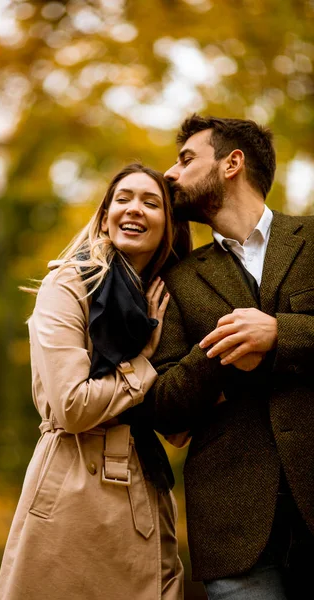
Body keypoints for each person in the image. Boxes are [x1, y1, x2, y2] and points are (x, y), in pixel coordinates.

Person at [0, 163, 190, 600]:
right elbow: (72, 406)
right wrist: (143, 360)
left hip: (143, 487)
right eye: (122, 199)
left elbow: (177, 426)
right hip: (71, 484)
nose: (134, 209)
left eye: (150, 202)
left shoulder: (161, 303)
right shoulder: (68, 283)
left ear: (168, 226)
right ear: (105, 217)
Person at [143, 115, 314, 599]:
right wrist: (216, 353)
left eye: (185, 159)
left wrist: (281, 333)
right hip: (234, 531)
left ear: (232, 163)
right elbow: (164, 407)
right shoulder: (177, 279)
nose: (170, 174)